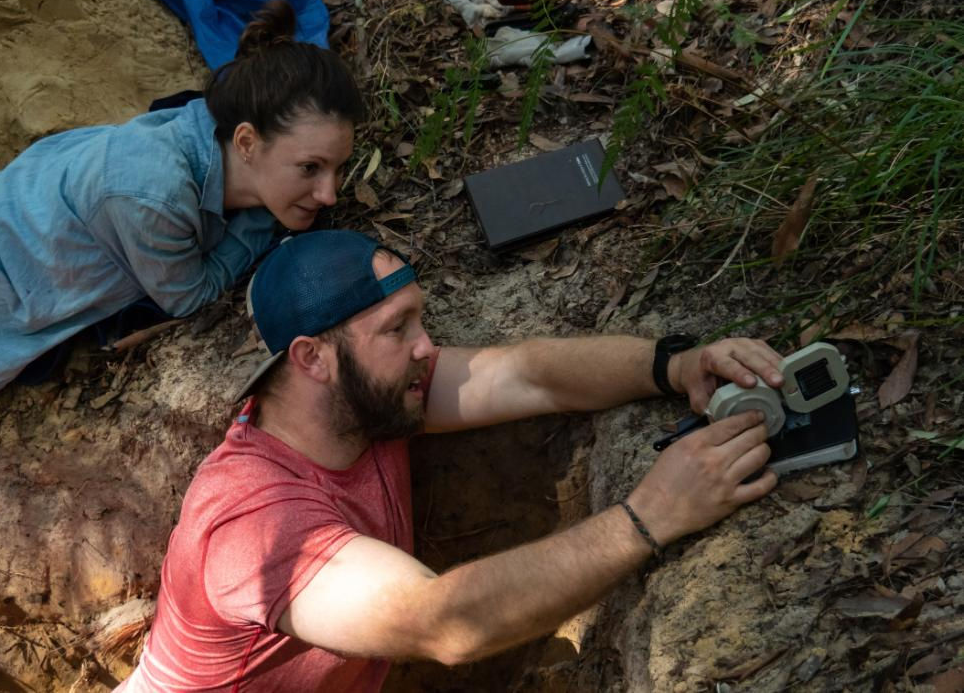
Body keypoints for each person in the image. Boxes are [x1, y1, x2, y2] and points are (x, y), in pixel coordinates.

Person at [116, 230, 785, 692]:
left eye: (421, 321)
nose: (427, 347)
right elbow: (441, 622)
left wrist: (675, 366)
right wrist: (651, 515)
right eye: (396, 328)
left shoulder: (363, 401)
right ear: (311, 358)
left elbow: (529, 376)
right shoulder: (252, 524)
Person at [0, 0, 364, 423]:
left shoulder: (202, 126)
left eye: (337, 168)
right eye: (310, 168)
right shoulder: (156, 198)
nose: (329, 194)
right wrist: (256, 224)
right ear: (246, 142)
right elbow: (188, 296)